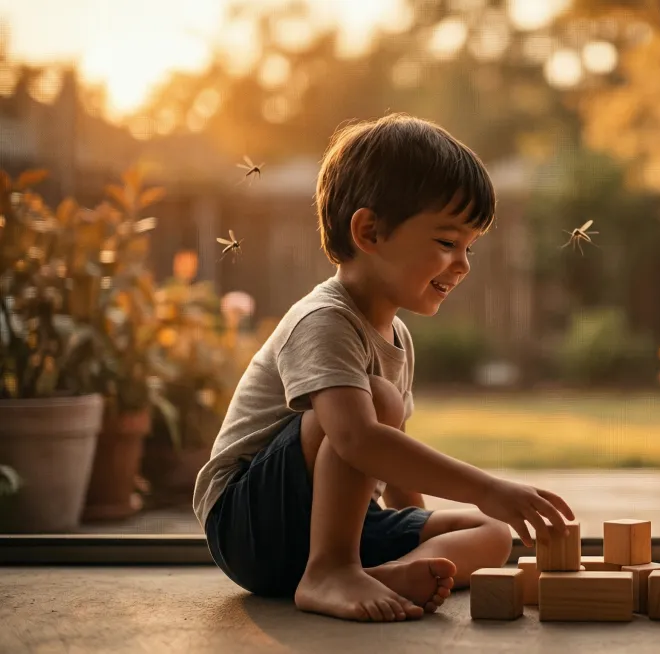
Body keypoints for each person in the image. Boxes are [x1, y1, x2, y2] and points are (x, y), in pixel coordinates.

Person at [194, 113, 574, 623]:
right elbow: (356, 441)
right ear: (369, 231)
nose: (462, 264)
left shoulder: (396, 336)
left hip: (333, 526)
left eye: (469, 246)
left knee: (491, 533)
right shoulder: (323, 320)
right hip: (251, 526)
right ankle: (329, 571)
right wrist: (489, 488)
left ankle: (388, 573)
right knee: (376, 402)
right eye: (446, 242)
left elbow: (389, 466)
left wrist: (417, 523)